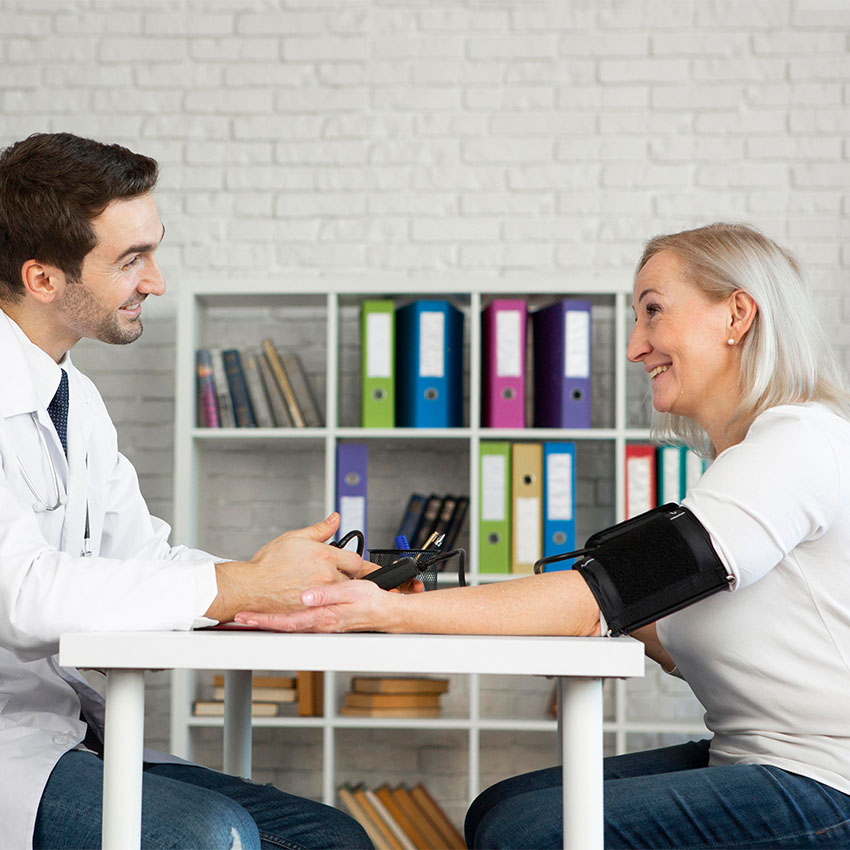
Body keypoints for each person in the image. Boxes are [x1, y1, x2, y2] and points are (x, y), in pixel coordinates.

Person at [241, 222, 850, 849]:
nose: (636, 346)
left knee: (529, 832)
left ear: (737, 314)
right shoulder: (746, 466)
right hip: (759, 758)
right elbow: (623, 613)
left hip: (829, 780)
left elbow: (607, 593)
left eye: (653, 312)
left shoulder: (798, 444)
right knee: (501, 807)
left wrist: (391, 613)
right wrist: (434, 606)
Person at [0, 132, 372, 850]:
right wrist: (235, 587)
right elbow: (21, 592)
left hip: (67, 735)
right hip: (14, 748)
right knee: (213, 836)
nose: (157, 281)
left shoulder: (73, 396)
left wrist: (291, 587)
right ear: (44, 278)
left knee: (333, 840)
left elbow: (143, 557)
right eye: (131, 260)